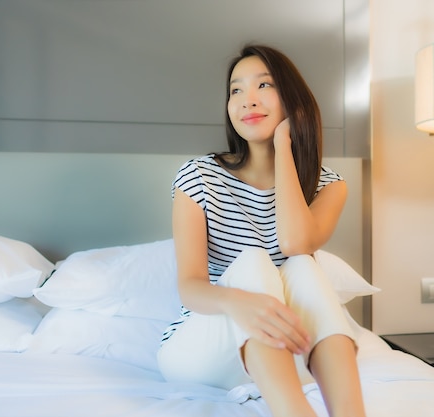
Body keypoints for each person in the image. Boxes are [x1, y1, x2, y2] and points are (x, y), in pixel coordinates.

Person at [157, 44, 367, 417]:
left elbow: (295, 243)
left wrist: (284, 147)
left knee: (302, 266)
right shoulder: (199, 176)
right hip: (204, 350)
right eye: (236, 90)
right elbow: (190, 286)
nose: (246, 100)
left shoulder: (330, 186)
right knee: (254, 261)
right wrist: (241, 303)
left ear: (293, 100)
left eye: (264, 85)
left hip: (286, 356)